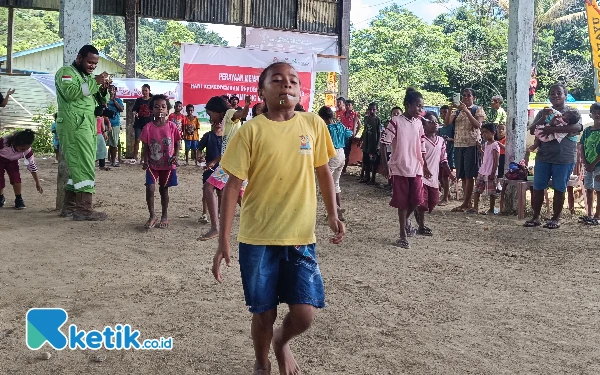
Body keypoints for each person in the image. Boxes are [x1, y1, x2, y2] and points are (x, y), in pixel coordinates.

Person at [211, 61, 344, 375]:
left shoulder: (313, 124)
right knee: (264, 314)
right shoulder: (251, 131)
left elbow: (323, 171)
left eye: (293, 81)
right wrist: (223, 238)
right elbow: (232, 187)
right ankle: (261, 362)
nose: (286, 85)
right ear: (261, 92)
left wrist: (333, 215)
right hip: (257, 239)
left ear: (300, 91)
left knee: (304, 314)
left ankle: (281, 342)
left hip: (300, 238)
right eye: (277, 80)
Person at [55, 44, 110, 220]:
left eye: (95, 64)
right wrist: (95, 82)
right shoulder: (66, 72)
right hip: (74, 125)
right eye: (89, 62)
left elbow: (97, 99)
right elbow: (71, 93)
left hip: (85, 125)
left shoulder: (85, 77)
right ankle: (84, 209)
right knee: (85, 164)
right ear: (79, 58)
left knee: (77, 166)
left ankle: (69, 207)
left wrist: (103, 90)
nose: (92, 66)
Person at [524, 84, 583, 229]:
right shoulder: (545, 111)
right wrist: (543, 118)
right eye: (552, 93)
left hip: (564, 157)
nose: (555, 95)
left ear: (565, 95)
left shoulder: (572, 112)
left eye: (559, 93)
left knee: (559, 188)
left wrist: (551, 128)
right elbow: (532, 130)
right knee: (537, 187)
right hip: (543, 156)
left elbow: (576, 128)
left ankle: (555, 218)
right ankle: (535, 217)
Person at [380, 87, 429, 249]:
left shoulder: (419, 123)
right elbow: (384, 142)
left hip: (416, 166)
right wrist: (385, 164)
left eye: (422, 107)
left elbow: (422, 147)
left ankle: (406, 220)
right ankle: (402, 234)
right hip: (400, 166)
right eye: (418, 106)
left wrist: (425, 165)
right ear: (408, 105)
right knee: (402, 202)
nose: (420, 110)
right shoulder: (396, 121)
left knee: (417, 199)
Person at [197, 95, 250, 241]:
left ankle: (215, 228)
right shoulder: (227, 123)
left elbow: (240, 114)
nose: (210, 118)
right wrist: (214, 162)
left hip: (233, 164)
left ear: (217, 110)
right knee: (241, 198)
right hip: (238, 162)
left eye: (210, 114)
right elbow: (226, 150)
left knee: (208, 187)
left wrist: (246, 107)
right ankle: (260, 225)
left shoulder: (229, 114)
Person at [140, 94, 181, 229]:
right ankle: (152, 216)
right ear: (152, 110)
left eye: (163, 107)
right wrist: (144, 160)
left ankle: (164, 215)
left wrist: (176, 155)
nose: (160, 110)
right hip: (152, 164)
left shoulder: (172, 126)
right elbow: (145, 146)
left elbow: (177, 142)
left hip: (167, 165)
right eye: (157, 107)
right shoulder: (148, 128)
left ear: (167, 110)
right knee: (150, 188)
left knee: (164, 190)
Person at [445, 88, 486, 213]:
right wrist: (451, 108)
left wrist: (466, 111)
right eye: (464, 95)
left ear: (474, 97)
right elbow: (447, 123)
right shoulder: (457, 110)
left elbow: (478, 125)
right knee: (462, 175)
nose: (466, 97)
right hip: (458, 144)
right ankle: (467, 202)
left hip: (471, 144)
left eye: (469, 95)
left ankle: (466, 202)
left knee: (469, 175)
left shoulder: (477, 109)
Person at [415, 112, 455, 235]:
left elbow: (444, 159)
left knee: (432, 202)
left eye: (436, 121)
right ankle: (421, 226)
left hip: (433, 177)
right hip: (421, 176)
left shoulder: (441, 141)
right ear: (424, 125)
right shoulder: (420, 139)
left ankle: (416, 211)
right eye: (430, 122)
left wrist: (450, 173)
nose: (434, 124)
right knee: (423, 203)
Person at [318, 105, 352, 221]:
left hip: (332, 155)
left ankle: (335, 210)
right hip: (342, 153)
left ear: (322, 118)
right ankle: (338, 212)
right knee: (335, 183)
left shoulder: (326, 128)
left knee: (325, 185)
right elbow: (349, 134)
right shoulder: (340, 125)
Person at [0, 129, 43, 209]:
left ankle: (19, 199)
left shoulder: (27, 151)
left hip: (13, 161)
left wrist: (37, 183)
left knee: (16, 178)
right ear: (15, 143)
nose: (24, 151)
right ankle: (0, 197)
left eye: (26, 149)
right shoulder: (3, 142)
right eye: (22, 149)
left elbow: (32, 166)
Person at [197, 117, 223, 225]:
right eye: (215, 121)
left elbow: (226, 153)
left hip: (222, 168)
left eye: (220, 121)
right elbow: (199, 149)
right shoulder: (207, 136)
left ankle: (220, 212)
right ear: (211, 122)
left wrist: (214, 162)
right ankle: (204, 213)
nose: (218, 123)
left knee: (220, 192)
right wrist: (200, 157)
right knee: (207, 191)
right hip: (209, 168)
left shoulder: (226, 137)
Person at [469, 123, 500, 215]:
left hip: (490, 171)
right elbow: (485, 155)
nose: (484, 134)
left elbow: (496, 160)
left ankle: (491, 208)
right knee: (477, 189)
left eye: (486, 132)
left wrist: (493, 172)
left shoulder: (495, 145)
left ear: (493, 133)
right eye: (483, 133)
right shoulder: (486, 144)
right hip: (483, 170)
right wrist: (480, 149)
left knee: (491, 192)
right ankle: (475, 208)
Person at [578, 102, 600, 225]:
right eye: (594, 112)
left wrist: (593, 163)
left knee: (599, 189)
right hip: (588, 165)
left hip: (598, 165)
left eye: (599, 112)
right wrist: (585, 162)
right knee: (589, 188)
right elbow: (581, 145)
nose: (597, 115)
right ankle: (589, 214)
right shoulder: (587, 131)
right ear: (590, 115)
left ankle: (598, 215)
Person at [359, 102, 381, 185]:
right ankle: (366, 177)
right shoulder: (366, 119)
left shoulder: (377, 120)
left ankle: (373, 179)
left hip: (373, 144)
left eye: (374, 109)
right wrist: (361, 139)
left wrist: (377, 144)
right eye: (370, 109)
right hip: (366, 144)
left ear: (377, 110)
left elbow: (379, 133)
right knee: (366, 161)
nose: (372, 111)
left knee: (373, 162)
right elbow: (364, 130)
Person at [338, 98, 360, 174]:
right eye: (346, 105)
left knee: (346, 152)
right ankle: (341, 167)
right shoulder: (343, 114)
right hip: (342, 135)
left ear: (352, 106)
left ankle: (344, 168)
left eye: (349, 105)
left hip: (349, 135)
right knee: (341, 151)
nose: (347, 106)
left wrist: (355, 134)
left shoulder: (354, 114)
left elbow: (359, 125)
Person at [132, 84, 153, 163]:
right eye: (143, 91)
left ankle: (144, 158)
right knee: (137, 140)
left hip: (148, 123)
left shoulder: (152, 100)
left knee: (146, 141)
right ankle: (135, 158)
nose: (144, 92)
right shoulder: (138, 100)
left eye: (146, 91)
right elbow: (134, 110)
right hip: (138, 123)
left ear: (149, 91)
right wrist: (135, 113)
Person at [438, 105, 454, 205]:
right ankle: (447, 194)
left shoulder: (452, 126)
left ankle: (445, 198)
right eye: (442, 112)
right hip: (440, 154)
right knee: (440, 176)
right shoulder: (440, 127)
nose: (444, 114)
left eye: (446, 112)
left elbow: (458, 139)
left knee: (445, 176)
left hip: (450, 154)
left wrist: (449, 139)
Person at [106, 85, 124, 167]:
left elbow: (121, 109)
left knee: (113, 143)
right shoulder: (104, 99)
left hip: (114, 123)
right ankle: (101, 160)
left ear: (115, 91)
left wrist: (114, 101)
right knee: (102, 142)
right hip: (104, 123)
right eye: (109, 89)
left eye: (112, 89)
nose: (111, 91)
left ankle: (113, 160)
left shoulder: (118, 100)